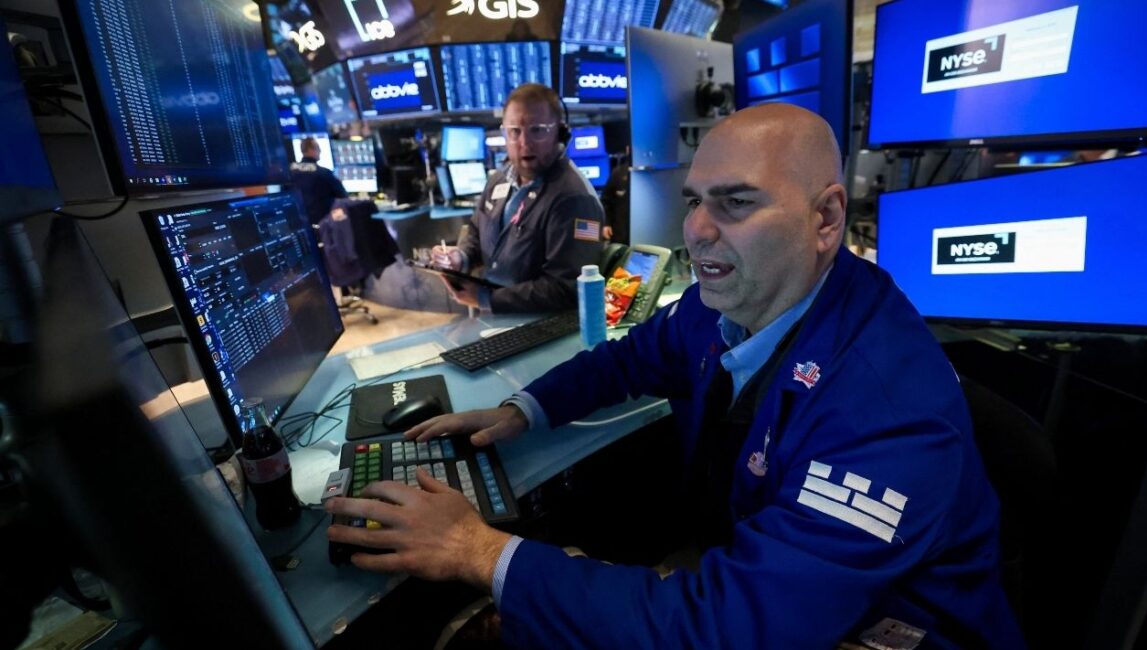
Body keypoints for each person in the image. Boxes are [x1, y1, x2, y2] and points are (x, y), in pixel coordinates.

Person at [326, 103, 1026, 648]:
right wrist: (523, 410)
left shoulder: (886, 410)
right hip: (767, 588)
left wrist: (478, 551)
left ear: (826, 218)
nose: (697, 230)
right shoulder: (732, 297)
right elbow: (634, 356)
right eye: (695, 200)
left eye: (737, 202)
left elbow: (727, 631)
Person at [430, 84, 604, 313]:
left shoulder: (575, 199)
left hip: (540, 325)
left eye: (537, 130)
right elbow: (476, 229)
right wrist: (459, 257)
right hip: (496, 315)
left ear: (560, 133)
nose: (524, 143)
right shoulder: (499, 179)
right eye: (514, 131)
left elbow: (565, 289)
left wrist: (487, 298)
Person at [290, 136, 347, 223]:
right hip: (323, 225)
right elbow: (343, 197)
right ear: (310, 150)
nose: (320, 151)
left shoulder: (290, 172)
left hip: (300, 224)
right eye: (318, 148)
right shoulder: (323, 173)